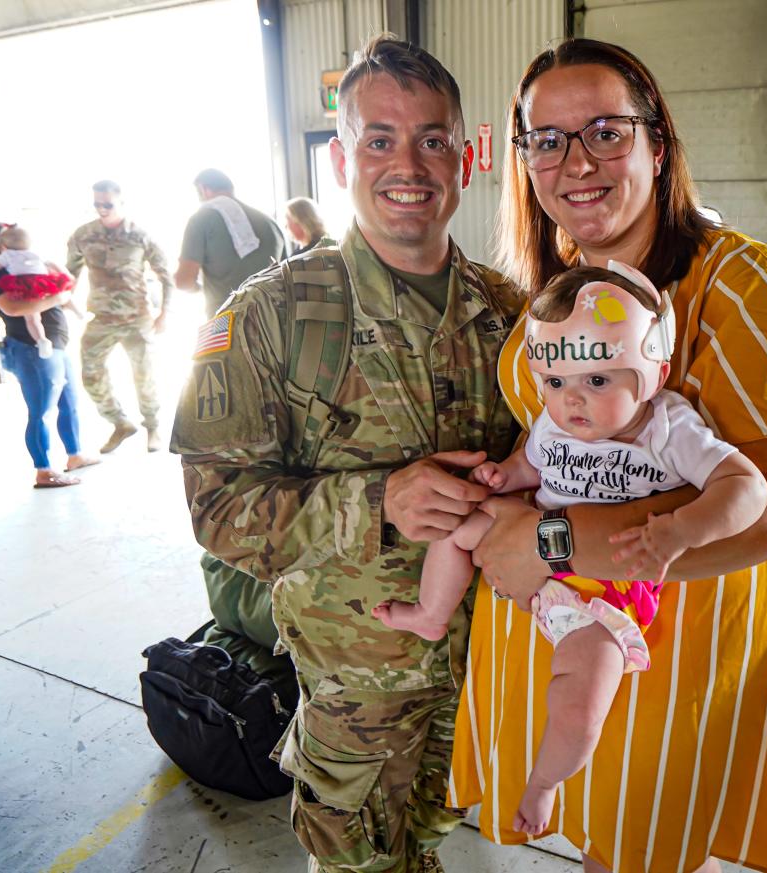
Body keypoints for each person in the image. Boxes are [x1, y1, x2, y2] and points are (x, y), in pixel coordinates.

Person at [448, 39, 767, 873]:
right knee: (606, 832)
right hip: (571, 630)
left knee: (649, 839)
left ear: (657, 143)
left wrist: (543, 541)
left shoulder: (745, 286)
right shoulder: (565, 285)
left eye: (605, 131)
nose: (576, 162)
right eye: (546, 140)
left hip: (685, 639)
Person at [169, 36, 520, 873]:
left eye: (433, 139)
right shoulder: (269, 318)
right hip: (357, 698)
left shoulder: (510, 312)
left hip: (487, 673)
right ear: (340, 158)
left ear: (464, 159)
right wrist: (375, 503)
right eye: (379, 139)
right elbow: (216, 509)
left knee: (430, 847)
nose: (409, 164)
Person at [375, 262, 767, 835]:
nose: (572, 401)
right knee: (457, 526)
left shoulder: (668, 429)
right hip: (532, 554)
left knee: (579, 704)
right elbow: (531, 464)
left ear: (652, 374)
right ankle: (431, 614)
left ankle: (544, 785)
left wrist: (682, 531)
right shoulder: (554, 422)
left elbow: (749, 488)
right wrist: (502, 478)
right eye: (556, 384)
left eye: (599, 381)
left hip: (605, 593)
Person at [0, 221, 98, 488]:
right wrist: (57, 298)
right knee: (41, 410)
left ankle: (74, 455)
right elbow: (12, 308)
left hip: (56, 344)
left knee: (69, 402)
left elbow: (63, 282)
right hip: (32, 348)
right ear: (1, 244)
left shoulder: (31, 262)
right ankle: (43, 470)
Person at [66, 180, 172, 454]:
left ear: (121, 203)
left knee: (144, 375)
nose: (102, 209)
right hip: (101, 318)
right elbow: (69, 275)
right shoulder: (83, 235)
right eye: (97, 204)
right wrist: (63, 301)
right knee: (90, 373)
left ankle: (153, 427)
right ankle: (120, 422)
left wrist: (164, 313)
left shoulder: (140, 236)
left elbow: (165, 276)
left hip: (137, 317)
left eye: (108, 204)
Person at [174, 168, 287, 317]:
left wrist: (201, 288)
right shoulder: (270, 223)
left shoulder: (201, 218)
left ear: (203, 189)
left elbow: (183, 281)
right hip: (273, 323)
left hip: (226, 325)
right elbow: (286, 275)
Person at [0, 224, 80, 359]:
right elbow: (13, 309)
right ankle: (77, 312)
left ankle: (42, 340)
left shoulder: (7, 257)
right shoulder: (33, 254)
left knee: (33, 319)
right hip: (29, 346)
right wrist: (59, 295)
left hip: (28, 290)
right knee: (60, 294)